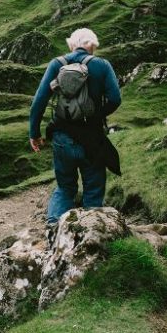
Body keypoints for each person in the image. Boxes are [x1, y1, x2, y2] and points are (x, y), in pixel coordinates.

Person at [28, 28, 122, 236]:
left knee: (65, 187)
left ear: (72, 45)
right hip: (92, 138)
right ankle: (90, 236)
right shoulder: (101, 65)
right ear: (92, 46)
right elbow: (115, 99)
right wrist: (97, 115)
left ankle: (53, 230)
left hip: (62, 136)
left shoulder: (57, 64)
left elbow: (39, 102)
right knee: (93, 188)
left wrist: (34, 133)